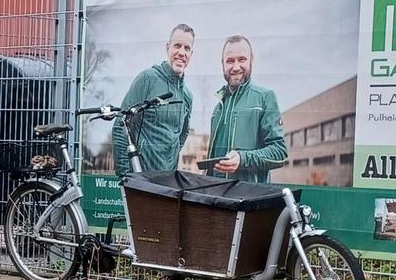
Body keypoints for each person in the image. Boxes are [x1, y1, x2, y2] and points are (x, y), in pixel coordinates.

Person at [111, 24, 194, 175]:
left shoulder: (187, 96)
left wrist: (170, 155)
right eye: (177, 46)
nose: (181, 52)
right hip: (140, 180)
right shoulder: (147, 79)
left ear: (191, 54)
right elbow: (120, 125)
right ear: (167, 47)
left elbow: (183, 134)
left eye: (187, 48)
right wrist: (124, 176)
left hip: (168, 182)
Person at [207, 36, 287, 183]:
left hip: (250, 200)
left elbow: (280, 152)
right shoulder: (217, 109)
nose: (236, 67)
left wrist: (242, 159)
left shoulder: (265, 98)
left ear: (251, 60)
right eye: (230, 61)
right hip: (217, 200)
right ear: (222, 64)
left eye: (241, 59)